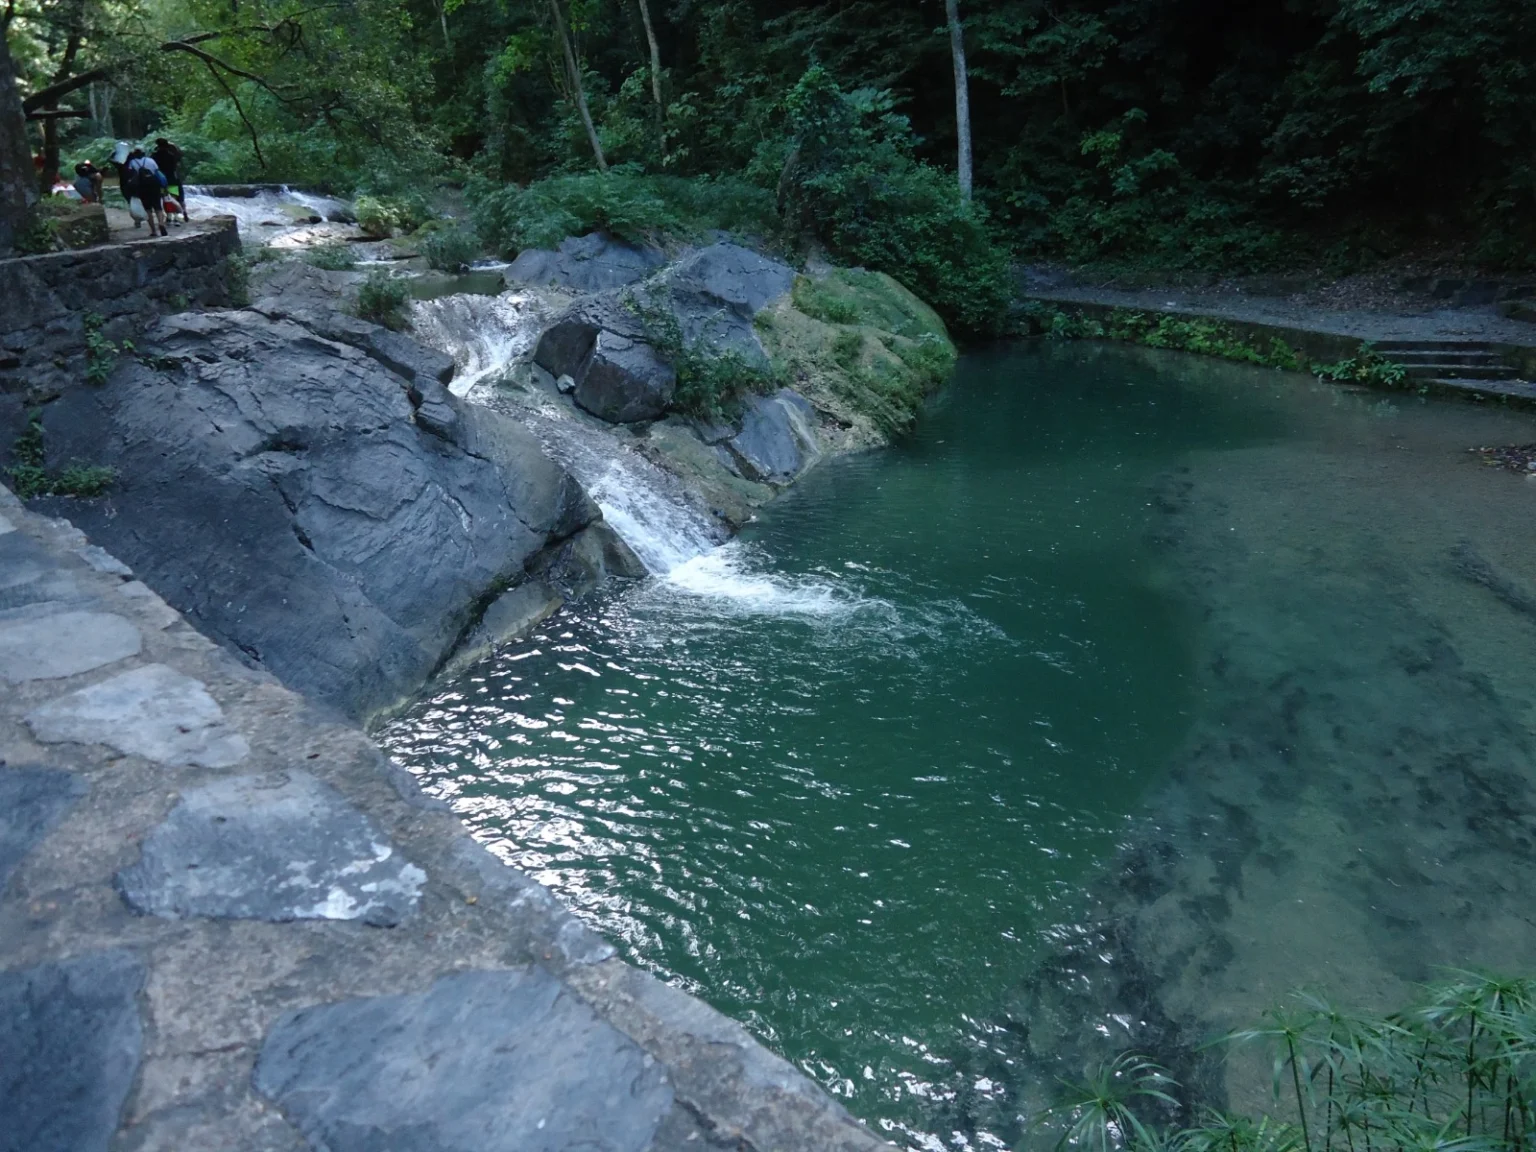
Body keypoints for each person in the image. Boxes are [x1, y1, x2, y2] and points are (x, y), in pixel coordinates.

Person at [124, 148, 169, 237]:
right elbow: (157, 172)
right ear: (144, 154)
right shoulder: (151, 160)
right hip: (154, 184)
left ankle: (153, 231)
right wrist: (163, 186)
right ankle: (161, 223)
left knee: (147, 209)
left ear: (134, 154)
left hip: (142, 187)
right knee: (158, 207)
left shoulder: (132, 162)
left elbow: (130, 174)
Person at [151, 137, 188, 223]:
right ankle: (181, 213)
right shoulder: (172, 155)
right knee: (177, 197)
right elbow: (180, 157)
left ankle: (169, 216)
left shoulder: (155, 156)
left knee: (165, 198)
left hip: (161, 180)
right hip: (173, 178)